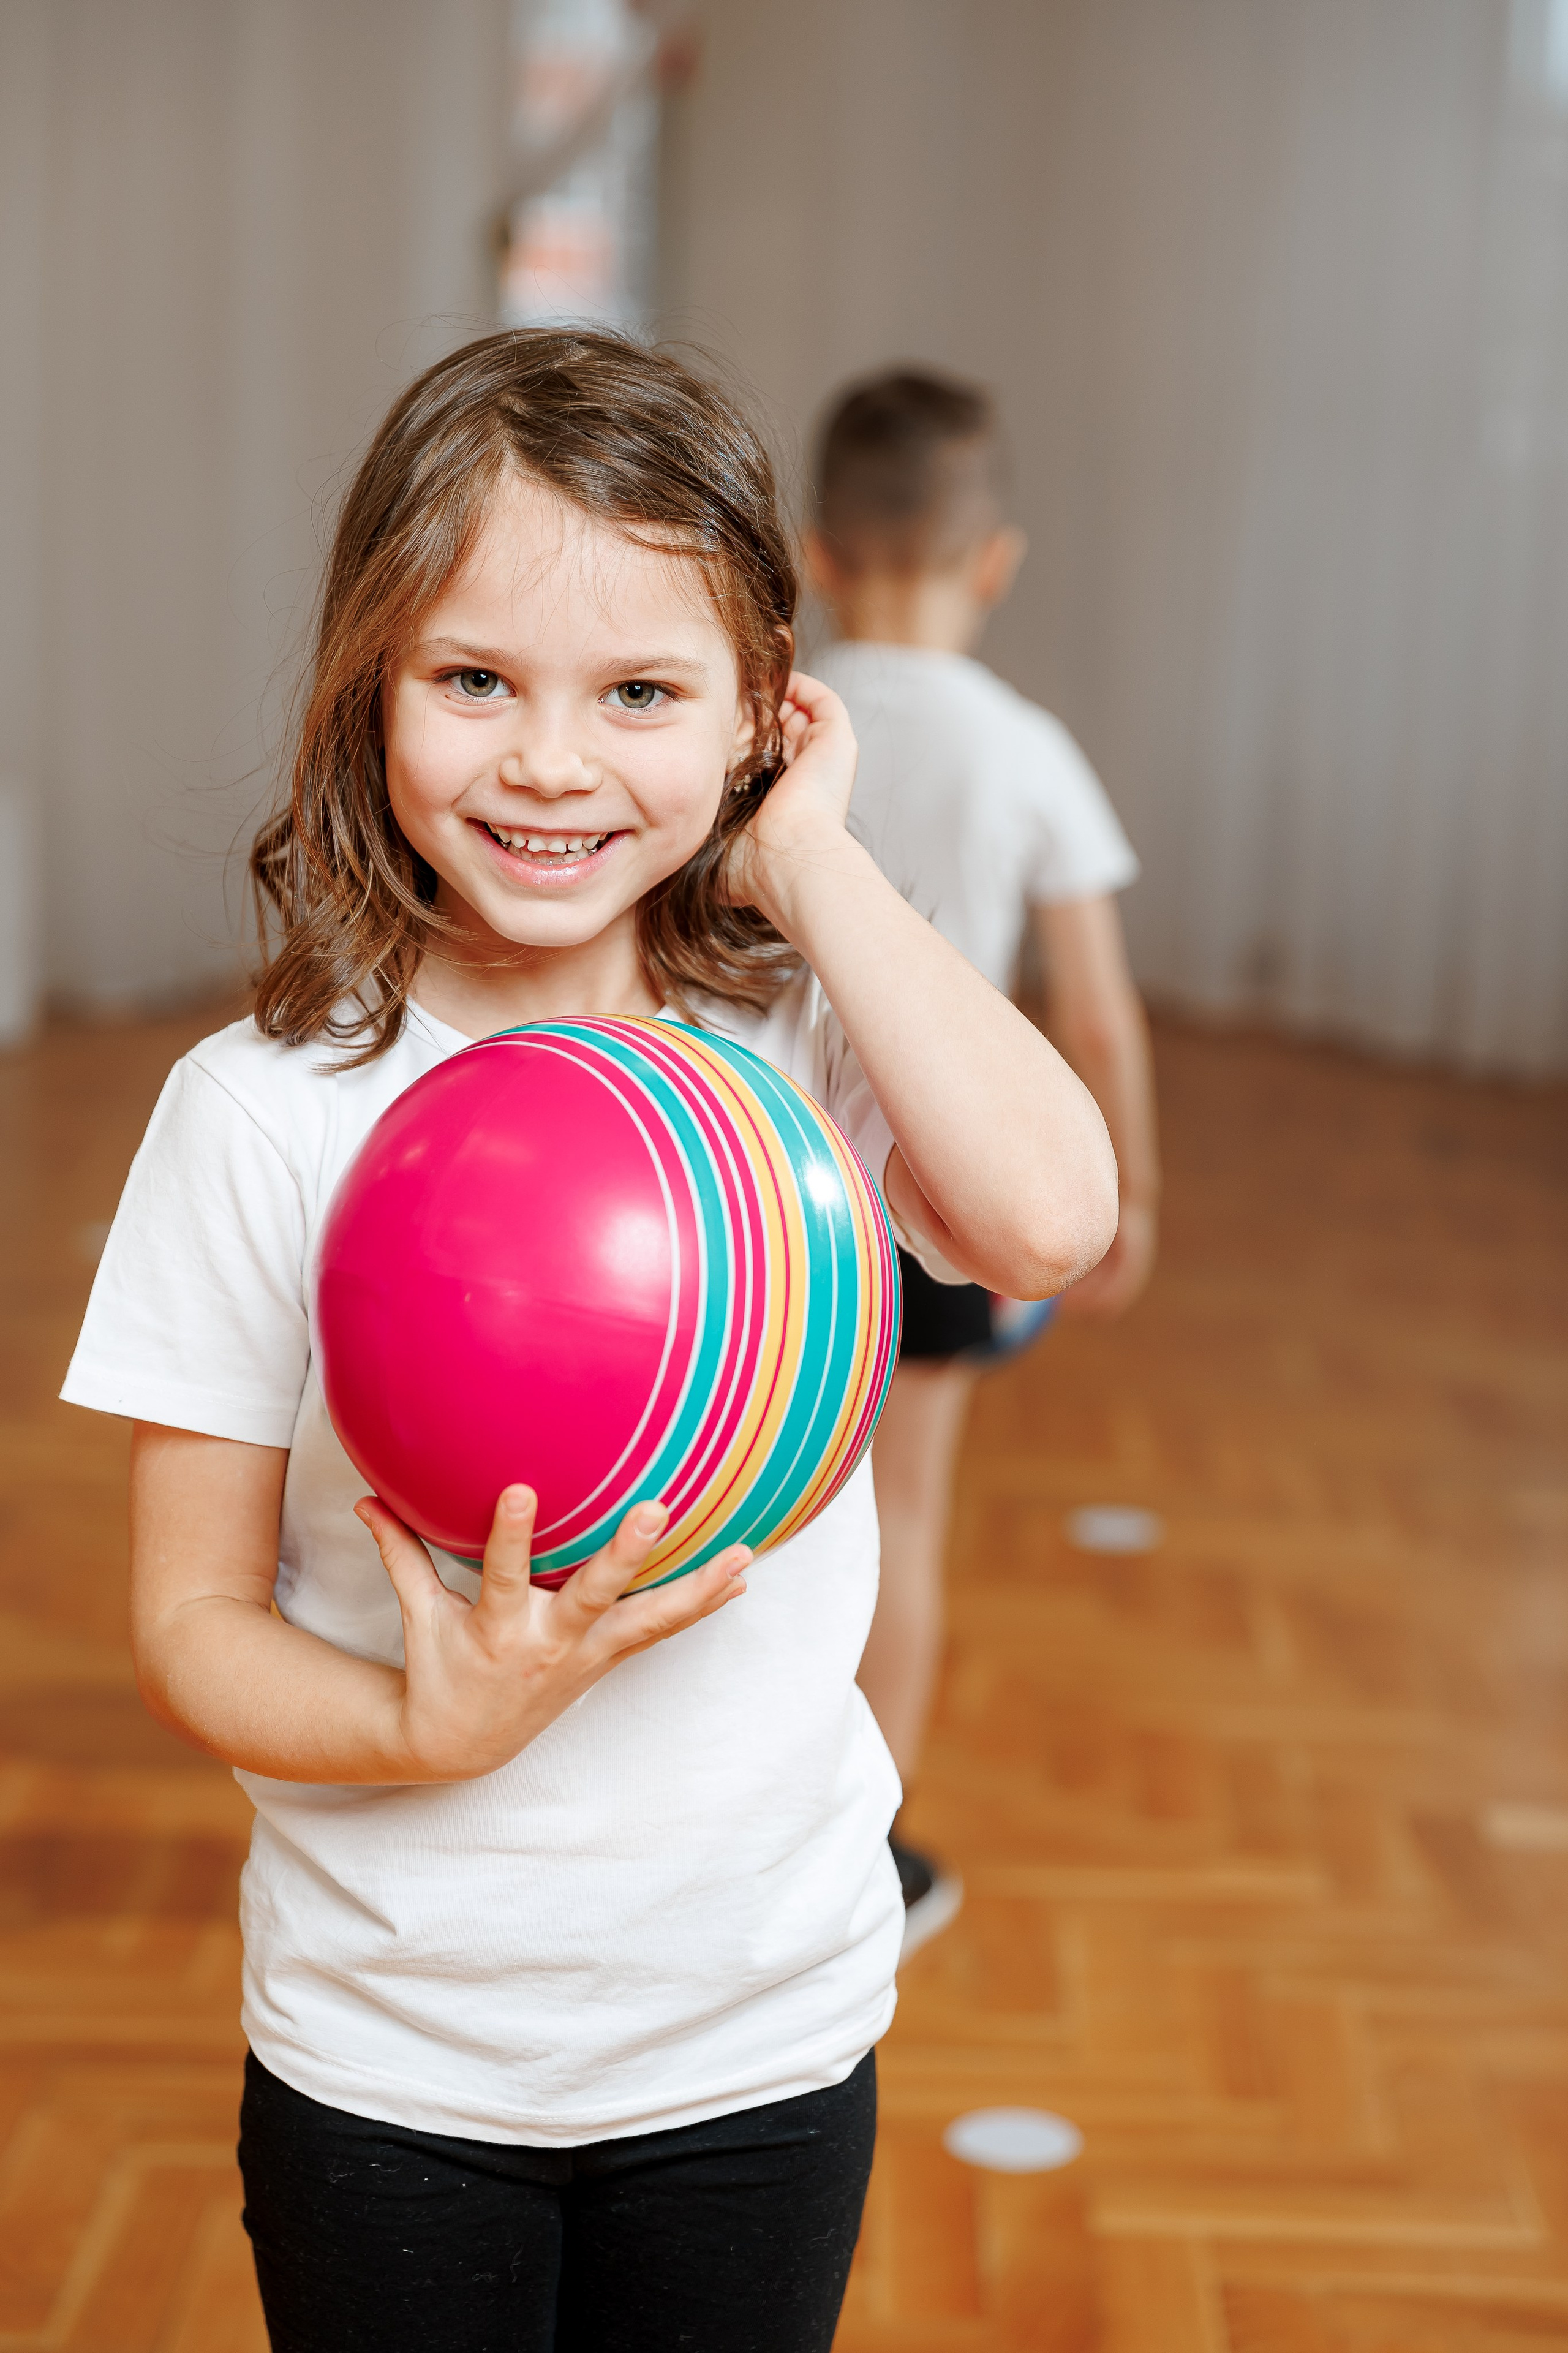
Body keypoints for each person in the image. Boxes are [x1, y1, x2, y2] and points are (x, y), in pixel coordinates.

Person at [61, 333, 1118, 2353]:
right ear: (371, 683)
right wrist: (418, 1730)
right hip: (395, 2061)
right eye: (476, 680)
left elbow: (1054, 1216)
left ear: (762, 716)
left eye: (642, 694)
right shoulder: (261, 1103)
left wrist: (809, 863)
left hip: (763, 2036)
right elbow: (191, 1621)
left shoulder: (805, 1047)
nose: (552, 762)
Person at [807, 368, 1160, 1957]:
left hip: (768, 1200)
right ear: (994, 559)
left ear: (817, 553)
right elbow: (1093, 1010)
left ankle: (746, 1828)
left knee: (765, 1519)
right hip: (936, 1200)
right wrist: (1125, 1199)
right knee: (906, 1527)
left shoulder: (764, 717)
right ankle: (858, 1861)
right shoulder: (1024, 746)